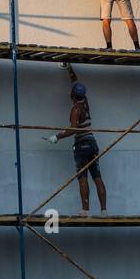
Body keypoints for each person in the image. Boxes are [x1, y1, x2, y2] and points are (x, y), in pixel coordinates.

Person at [46, 74, 107, 215]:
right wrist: (68, 69)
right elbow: (77, 84)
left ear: (73, 95)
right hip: (92, 144)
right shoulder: (85, 103)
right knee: (97, 177)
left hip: (81, 145)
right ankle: (104, 210)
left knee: (83, 178)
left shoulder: (75, 109)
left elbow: (73, 129)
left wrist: (57, 137)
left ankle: (85, 210)